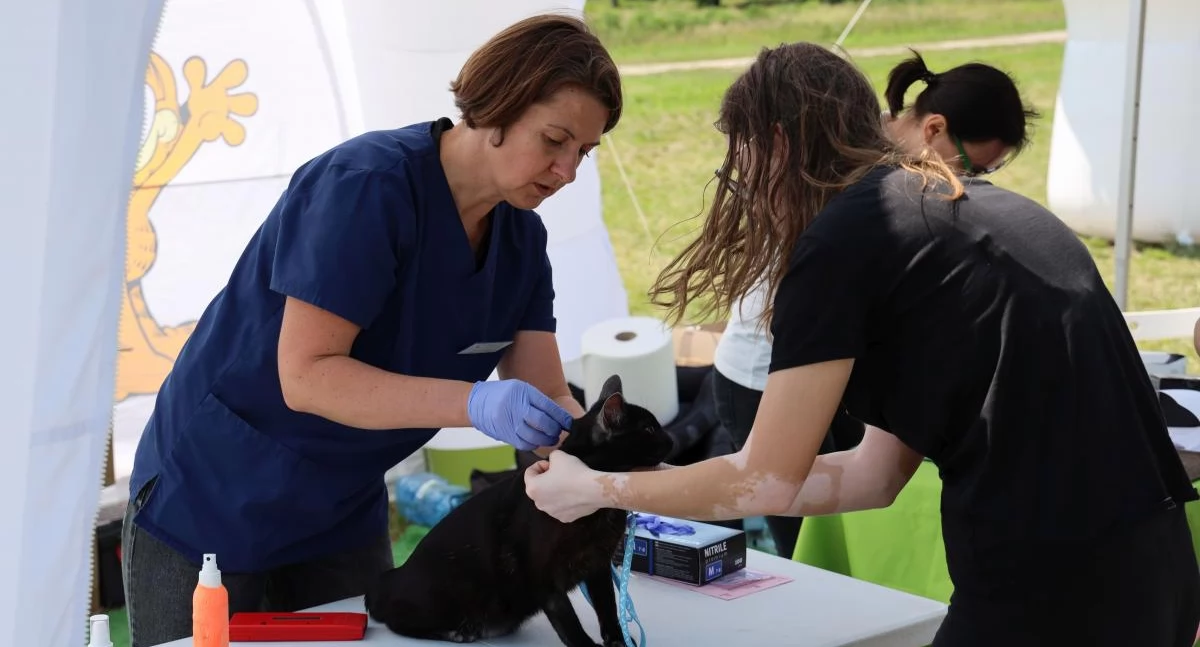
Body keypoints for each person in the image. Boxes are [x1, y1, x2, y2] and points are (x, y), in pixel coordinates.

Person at [526, 41, 1200, 646]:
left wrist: (602, 486)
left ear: (779, 146)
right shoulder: (971, 210)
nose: (747, 190)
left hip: (1050, 589)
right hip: (1158, 570)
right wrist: (659, 483)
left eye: (744, 160)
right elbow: (873, 475)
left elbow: (767, 473)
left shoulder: (844, 243)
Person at [121, 13, 621, 647]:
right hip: (216, 496)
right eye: (555, 140)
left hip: (341, 507)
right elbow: (308, 377)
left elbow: (548, 398)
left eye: (585, 151)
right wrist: (473, 401)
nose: (568, 171)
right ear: (500, 103)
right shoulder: (366, 188)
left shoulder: (521, 239)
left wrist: (600, 474)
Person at [709, 49, 1036, 559]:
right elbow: (778, 480)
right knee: (809, 553)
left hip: (839, 372)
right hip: (771, 372)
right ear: (933, 128)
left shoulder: (880, 207)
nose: (973, 183)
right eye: (973, 165)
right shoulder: (849, 209)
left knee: (833, 540)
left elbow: (873, 476)